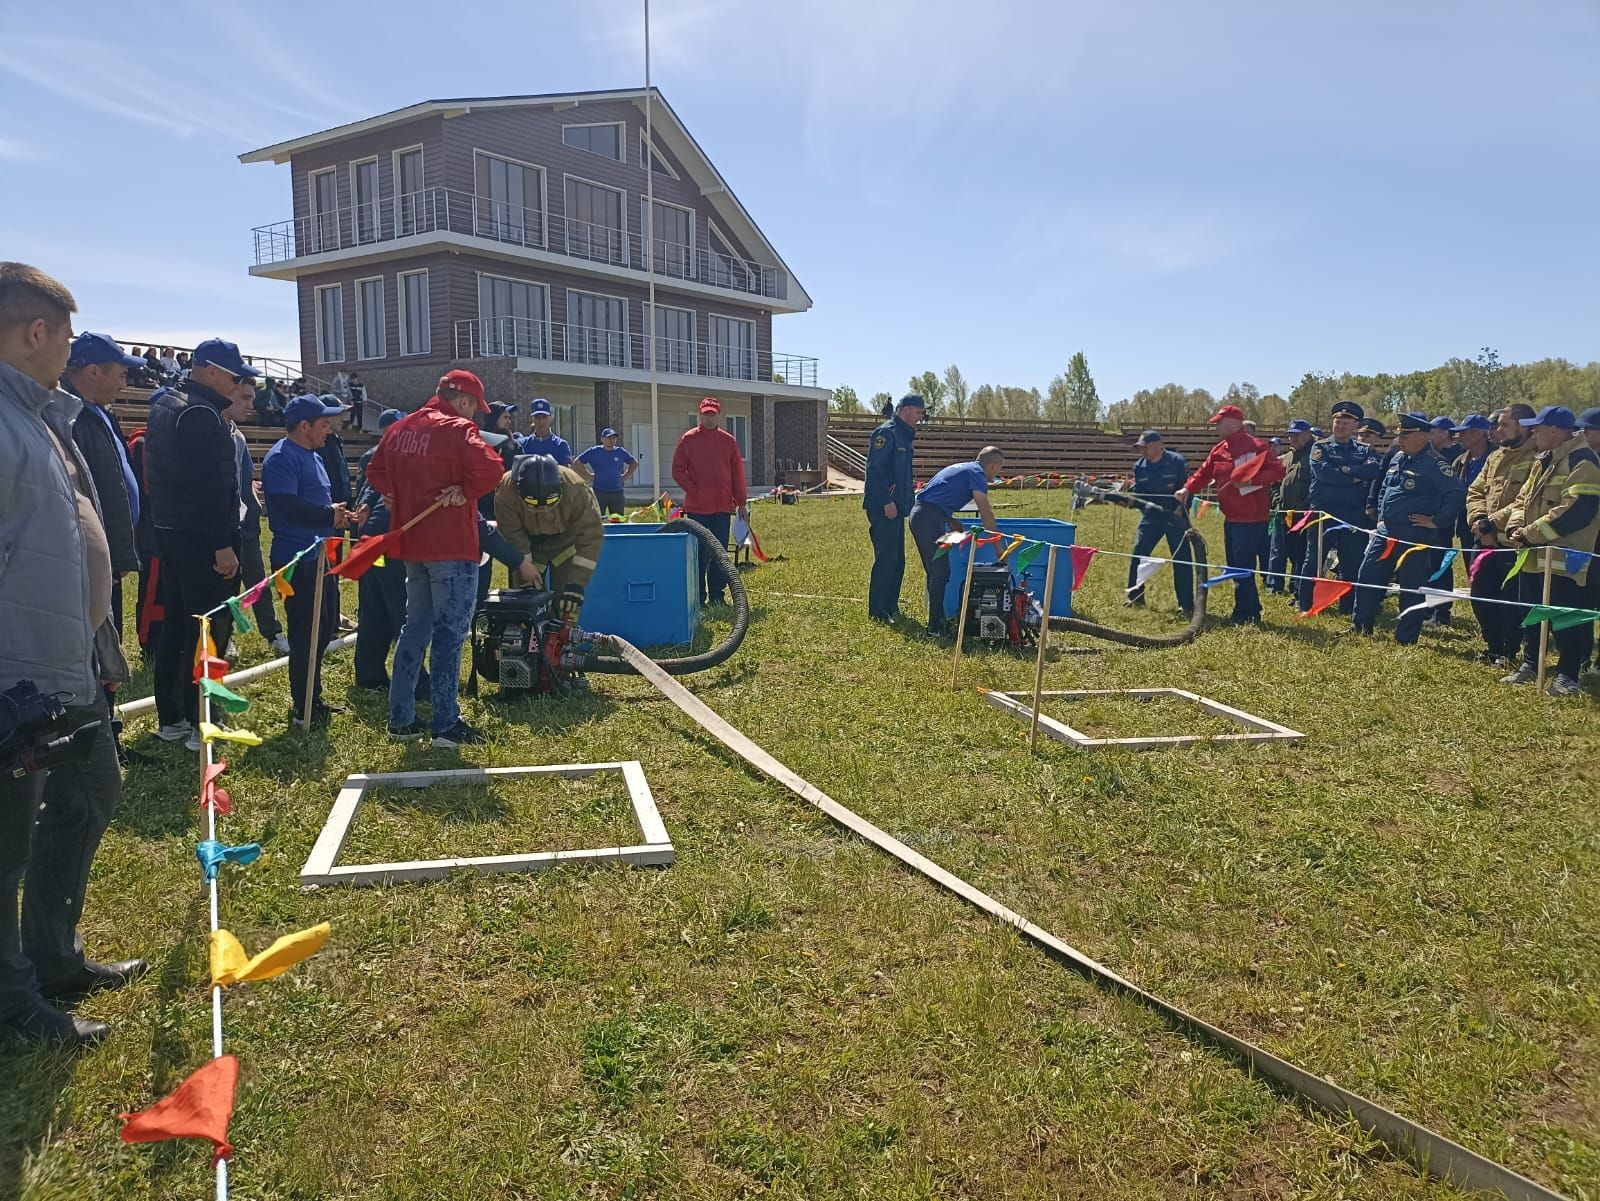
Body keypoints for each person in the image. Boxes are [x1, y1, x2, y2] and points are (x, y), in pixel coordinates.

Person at [0, 261, 140, 1047]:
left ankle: (54, 955)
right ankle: (14, 1002)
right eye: (64, 336)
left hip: (69, 660)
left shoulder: (42, 415)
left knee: (91, 788)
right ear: (35, 332)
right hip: (15, 678)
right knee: (5, 844)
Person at [365, 370, 505, 747]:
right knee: (449, 634)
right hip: (452, 546)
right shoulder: (459, 430)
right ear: (464, 402)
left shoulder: (400, 428)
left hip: (413, 545)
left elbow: (374, 471)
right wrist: (466, 489)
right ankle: (445, 724)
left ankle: (401, 719)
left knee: (415, 628)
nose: (475, 416)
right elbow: (493, 468)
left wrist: (394, 493)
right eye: (475, 409)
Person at [144, 338, 254, 748]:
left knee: (176, 626)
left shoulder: (167, 404)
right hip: (199, 538)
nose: (236, 382)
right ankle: (200, 719)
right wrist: (222, 545)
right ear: (208, 369)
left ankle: (172, 715)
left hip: (171, 532)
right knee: (208, 628)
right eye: (232, 374)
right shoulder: (201, 414)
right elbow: (210, 488)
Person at [261, 395, 365, 723]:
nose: (329, 430)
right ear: (304, 426)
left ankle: (313, 697)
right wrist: (327, 513)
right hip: (297, 560)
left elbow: (320, 507)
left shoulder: (314, 455)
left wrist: (342, 516)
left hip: (322, 556)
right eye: (323, 424)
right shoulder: (281, 458)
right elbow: (286, 506)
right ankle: (303, 706)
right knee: (306, 632)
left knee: (325, 628)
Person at [1500, 406, 1600, 696]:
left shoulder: (1584, 461)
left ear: (1555, 430)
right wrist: (1514, 527)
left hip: (1565, 557)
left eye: (1537, 427)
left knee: (1563, 616)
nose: (1533, 432)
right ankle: (1532, 664)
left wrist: (1529, 534)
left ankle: (1568, 676)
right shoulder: (1543, 459)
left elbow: (1576, 510)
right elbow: (1522, 499)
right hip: (1533, 554)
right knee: (1532, 610)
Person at [1349, 413, 1465, 644]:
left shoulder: (1435, 463)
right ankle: (1361, 627)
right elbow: (1385, 487)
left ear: (1422, 437)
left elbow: (1457, 493)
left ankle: (1406, 637)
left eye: (1405, 434)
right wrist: (1381, 517)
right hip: (1386, 531)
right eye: (1399, 433)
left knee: (1411, 586)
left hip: (1414, 535)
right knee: (1368, 576)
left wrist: (1437, 520)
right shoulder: (1398, 457)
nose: (1399, 438)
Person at [1174, 404, 1285, 625]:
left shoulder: (1257, 447)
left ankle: (1244, 613)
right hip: (1231, 517)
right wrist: (1188, 489)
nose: (1216, 426)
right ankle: (1251, 608)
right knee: (1235, 565)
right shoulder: (1219, 449)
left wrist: (1253, 480)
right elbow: (1204, 473)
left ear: (1233, 423)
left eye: (1219, 423)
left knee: (1241, 566)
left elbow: (1278, 471)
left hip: (1252, 518)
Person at [62, 334, 144, 632]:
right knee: (95, 635)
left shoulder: (100, 412)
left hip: (108, 548)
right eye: (121, 375)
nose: (124, 385)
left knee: (110, 631)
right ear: (93, 371)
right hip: (89, 553)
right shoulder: (67, 416)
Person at [353, 410, 428, 698]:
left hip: (370, 542)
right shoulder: (409, 456)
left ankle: (369, 673)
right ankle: (415, 681)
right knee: (404, 610)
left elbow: (366, 497)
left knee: (375, 607)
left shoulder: (385, 455)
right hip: (390, 541)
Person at [1465, 404, 1540, 666]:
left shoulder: (1539, 458)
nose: (1498, 429)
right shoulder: (1495, 456)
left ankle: (1509, 651)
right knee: (1480, 596)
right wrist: (1477, 521)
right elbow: (1476, 492)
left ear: (1525, 426)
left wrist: (1490, 525)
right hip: (1484, 541)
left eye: (1504, 424)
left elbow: (1525, 500)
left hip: (1512, 544)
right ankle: (1493, 646)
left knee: (1512, 602)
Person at [908, 447, 1005, 637]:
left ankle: (938, 619)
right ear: (993, 465)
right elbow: (985, 513)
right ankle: (935, 627)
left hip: (926, 515)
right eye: (999, 468)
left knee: (937, 572)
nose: (998, 473)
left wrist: (949, 519)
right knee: (940, 572)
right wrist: (999, 549)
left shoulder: (967, 468)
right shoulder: (977, 473)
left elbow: (934, 494)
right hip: (927, 518)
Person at [494, 454, 605, 620]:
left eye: (551, 503)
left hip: (566, 544)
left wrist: (576, 583)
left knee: (568, 599)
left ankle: (564, 639)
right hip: (529, 544)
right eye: (532, 505)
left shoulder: (576, 489)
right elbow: (512, 533)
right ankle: (528, 636)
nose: (543, 511)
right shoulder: (506, 492)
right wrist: (524, 563)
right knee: (526, 598)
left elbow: (591, 536)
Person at [1298, 401, 1380, 617]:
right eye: (1337, 421)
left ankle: (1347, 606)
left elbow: (1372, 470)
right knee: (1314, 558)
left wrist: (1347, 470)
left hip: (1353, 514)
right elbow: (1324, 474)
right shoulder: (1320, 447)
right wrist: (1354, 478)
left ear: (1355, 426)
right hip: (1323, 512)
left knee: (1351, 560)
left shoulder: (1364, 450)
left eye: (1346, 422)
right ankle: (1306, 603)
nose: (1340, 426)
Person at [228, 376, 288, 655]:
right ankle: (223, 636)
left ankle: (273, 633)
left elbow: (243, 476)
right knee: (224, 587)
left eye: (252, 398)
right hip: (224, 528)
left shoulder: (237, 435)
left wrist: (249, 489)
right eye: (244, 398)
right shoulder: (214, 433)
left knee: (257, 581)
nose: (251, 405)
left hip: (247, 527)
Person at [671, 397, 749, 606]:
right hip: (697, 508)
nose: (709, 418)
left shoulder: (728, 441)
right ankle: (697, 596)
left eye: (712, 414)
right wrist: (693, 490)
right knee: (697, 554)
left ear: (718, 415)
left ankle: (717, 594)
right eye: (706, 414)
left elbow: (737, 474)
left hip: (722, 507)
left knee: (719, 552)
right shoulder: (688, 439)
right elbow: (677, 470)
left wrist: (741, 503)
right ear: (700, 414)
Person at [862, 394, 922, 622]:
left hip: (897, 507)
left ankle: (890, 605)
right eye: (917, 413)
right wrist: (886, 502)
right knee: (886, 558)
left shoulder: (903, 436)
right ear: (905, 410)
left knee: (897, 560)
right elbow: (875, 471)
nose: (919, 418)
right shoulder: (886, 433)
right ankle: (877, 610)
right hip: (884, 507)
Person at [1125, 430, 1193, 612]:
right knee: (1138, 553)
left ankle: (1186, 604)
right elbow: (1140, 493)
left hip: (1176, 516)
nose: (1142, 451)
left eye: (1145, 447)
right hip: (1151, 517)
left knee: (1182, 559)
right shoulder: (1139, 466)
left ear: (1158, 444)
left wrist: (1183, 508)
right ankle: (1135, 597)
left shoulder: (1176, 461)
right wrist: (1134, 501)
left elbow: (1188, 487)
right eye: (1140, 448)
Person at [1268, 420, 1314, 599]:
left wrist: (1304, 506)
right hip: (1284, 513)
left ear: (1307, 434)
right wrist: (1277, 500)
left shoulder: (1314, 455)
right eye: (1290, 434)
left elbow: (1315, 485)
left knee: (1302, 555)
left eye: (1296, 434)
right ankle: (1292, 587)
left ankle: (1299, 591)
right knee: (1289, 553)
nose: (1291, 438)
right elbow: (1275, 481)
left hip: (1304, 515)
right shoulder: (1287, 456)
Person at [577, 427, 639, 517]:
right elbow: (576, 463)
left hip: (617, 493)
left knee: (618, 522)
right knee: (597, 520)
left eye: (614, 438)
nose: (612, 440)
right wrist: (589, 476)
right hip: (599, 492)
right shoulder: (594, 451)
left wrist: (625, 476)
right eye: (609, 438)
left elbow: (634, 463)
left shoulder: (620, 451)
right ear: (602, 439)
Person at [314, 396, 351, 505]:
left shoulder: (336, 440)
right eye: (338, 414)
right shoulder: (318, 443)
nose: (342, 419)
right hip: (328, 508)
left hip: (341, 506)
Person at [520, 398, 573, 464]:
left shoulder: (560, 445)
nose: (541, 421)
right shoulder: (523, 445)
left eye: (544, 417)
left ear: (550, 418)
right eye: (537, 417)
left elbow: (565, 471)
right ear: (532, 419)